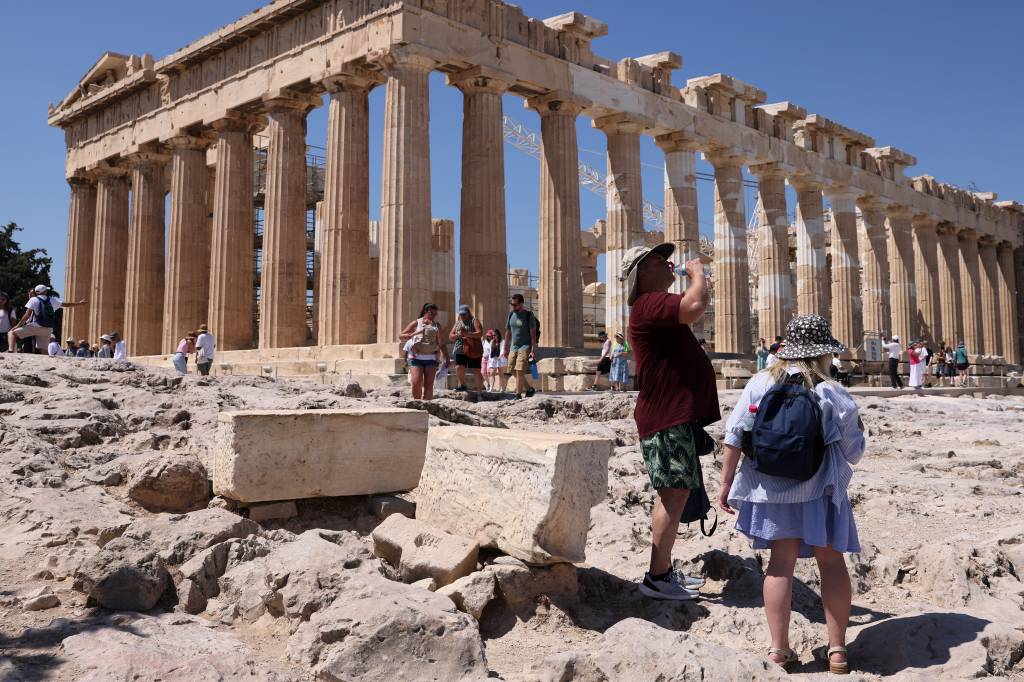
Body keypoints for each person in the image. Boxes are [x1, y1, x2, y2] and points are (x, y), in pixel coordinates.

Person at [719, 315, 864, 675]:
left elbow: (734, 435)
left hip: (769, 491)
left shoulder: (760, 383)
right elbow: (853, 449)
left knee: (779, 566)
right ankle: (837, 651)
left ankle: (778, 650)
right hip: (821, 491)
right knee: (830, 563)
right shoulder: (830, 389)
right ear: (822, 353)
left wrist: (725, 484)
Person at [623, 242, 719, 601]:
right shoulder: (648, 304)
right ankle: (657, 577)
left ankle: (662, 571)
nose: (669, 263)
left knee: (673, 492)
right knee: (673, 493)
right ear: (641, 273)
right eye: (658, 260)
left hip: (671, 415)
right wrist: (698, 275)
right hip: (665, 416)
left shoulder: (654, 306)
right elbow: (694, 305)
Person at [7, 285, 87, 354]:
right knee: (44, 351)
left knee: (12, 333)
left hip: (35, 326)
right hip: (47, 329)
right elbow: (66, 304)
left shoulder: (33, 299)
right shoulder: (51, 300)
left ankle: (10, 350)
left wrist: (17, 326)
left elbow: (27, 315)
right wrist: (79, 303)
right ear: (45, 291)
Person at [399, 303, 449, 400]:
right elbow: (401, 335)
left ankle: (427, 408)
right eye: (431, 313)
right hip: (415, 357)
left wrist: (447, 359)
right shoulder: (416, 323)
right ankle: (417, 406)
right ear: (425, 312)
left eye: (435, 314)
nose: (434, 315)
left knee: (429, 385)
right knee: (416, 383)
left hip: (431, 358)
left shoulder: (437, 326)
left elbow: (442, 344)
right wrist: (410, 335)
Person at [503, 294, 538, 399]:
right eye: (512, 304)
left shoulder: (528, 315)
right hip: (513, 347)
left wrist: (533, 349)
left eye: (515, 305)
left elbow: (533, 334)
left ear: (521, 304)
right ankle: (529, 389)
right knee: (512, 369)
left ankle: (518, 394)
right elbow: (508, 332)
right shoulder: (511, 315)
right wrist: (505, 348)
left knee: (519, 370)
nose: (513, 307)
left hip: (525, 347)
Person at [449, 305, 483, 391]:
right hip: (460, 347)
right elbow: (450, 336)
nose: (462, 316)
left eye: (464, 314)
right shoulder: (458, 322)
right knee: (458, 367)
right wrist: (458, 335)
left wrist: (467, 334)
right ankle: (463, 385)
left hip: (473, 347)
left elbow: (479, 333)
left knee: (476, 369)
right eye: (461, 314)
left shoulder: (474, 320)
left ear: (468, 313)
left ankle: (479, 391)